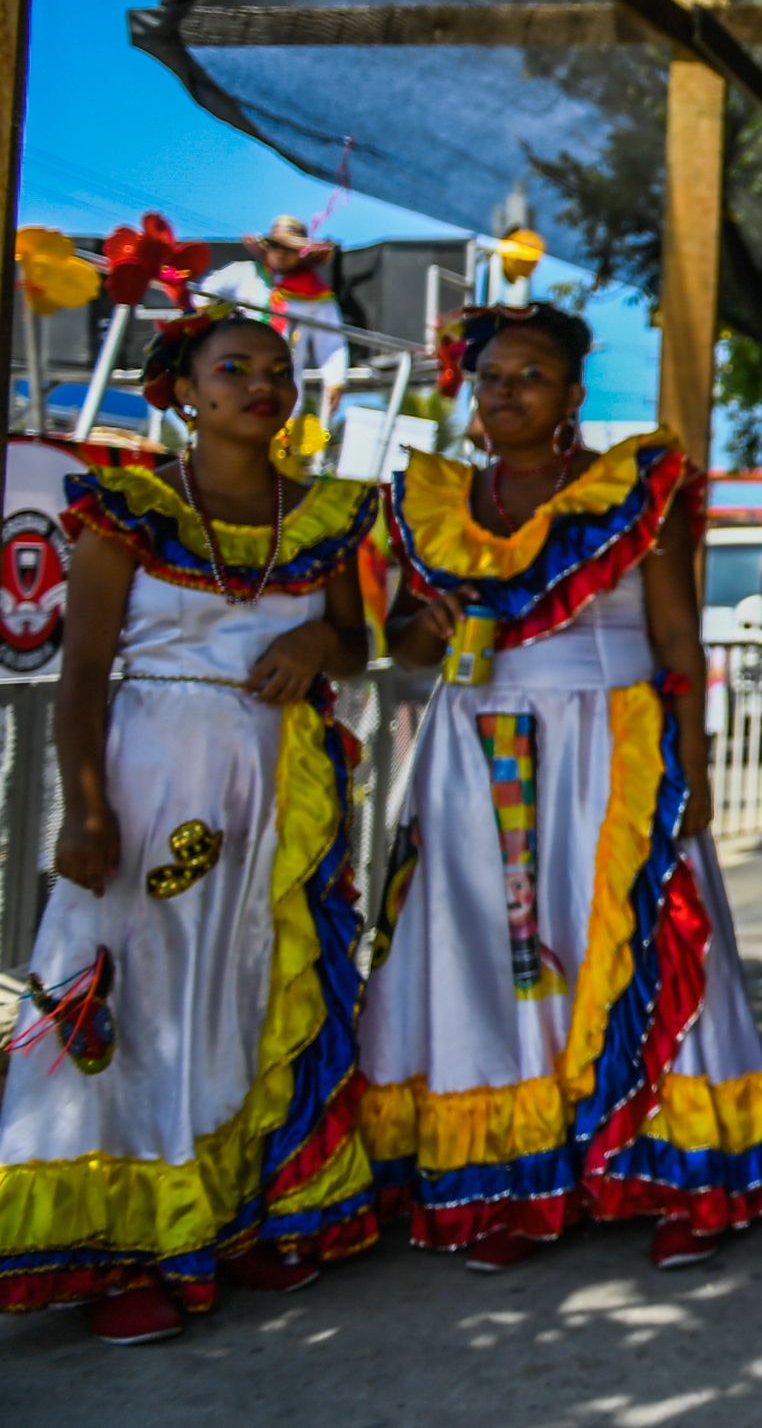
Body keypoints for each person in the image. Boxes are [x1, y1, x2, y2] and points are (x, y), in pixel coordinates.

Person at [357, 304, 762, 1272]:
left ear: (572, 396)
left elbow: (680, 638)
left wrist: (689, 768)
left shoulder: (632, 491)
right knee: (494, 958)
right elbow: (399, 639)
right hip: (473, 755)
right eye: (491, 377)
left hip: (613, 750)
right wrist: (425, 630)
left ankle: (685, 1173)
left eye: (530, 375)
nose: (507, 391)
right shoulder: (432, 501)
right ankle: (519, 1182)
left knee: (647, 945)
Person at [0, 314, 379, 1344]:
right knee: (135, 1001)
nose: (261, 382)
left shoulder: (328, 514)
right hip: (147, 790)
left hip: (278, 803)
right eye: (234, 368)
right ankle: (122, 1245)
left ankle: (228, 1215)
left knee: (246, 994)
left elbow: (352, 642)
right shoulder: (129, 507)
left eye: (277, 368)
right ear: (185, 388)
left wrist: (317, 635)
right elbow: (79, 675)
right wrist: (82, 808)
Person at [198, 215, 350, 420]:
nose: (280, 253)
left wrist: (335, 382)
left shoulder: (317, 296)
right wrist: (214, 312)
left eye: (289, 248)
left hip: (281, 387)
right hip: (233, 378)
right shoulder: (243, 273)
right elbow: (204, 294)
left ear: (301, 254)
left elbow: (331, 343)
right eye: (275, 245)